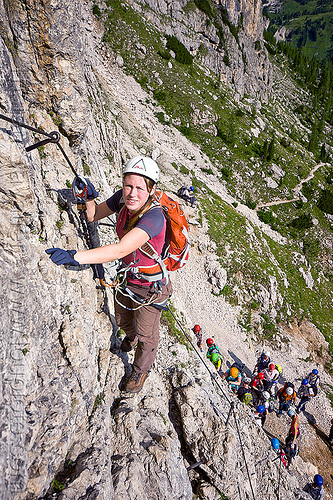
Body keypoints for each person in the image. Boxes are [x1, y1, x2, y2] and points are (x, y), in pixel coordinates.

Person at [46, 156, 173, 394]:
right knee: (123, 320)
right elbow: (93, 215)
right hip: (127, 279)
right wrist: (90, 199)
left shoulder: (154, 218)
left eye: (139, 188)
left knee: (148, 336)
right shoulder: (122, 199)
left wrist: (76, 256)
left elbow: (122, 249)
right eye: (128, 185)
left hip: (149, 288)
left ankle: (140, 371)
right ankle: (130, 336)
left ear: (152, 190)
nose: (132, 193)